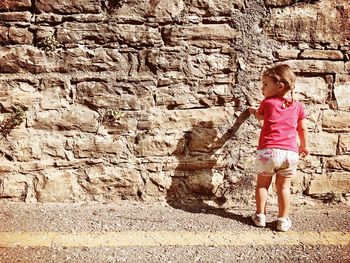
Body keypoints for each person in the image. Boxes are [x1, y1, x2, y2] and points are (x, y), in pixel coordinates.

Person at [248, 64, 309, 232]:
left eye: (266, 84)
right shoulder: (298, 106)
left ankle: (260, 216)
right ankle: (282, 220)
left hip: (268, 151)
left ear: (280, 86)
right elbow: (302, 128)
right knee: (283, 187)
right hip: (290, 153)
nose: (262, 88)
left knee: (262, 185)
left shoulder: (267, 103)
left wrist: (253, 111)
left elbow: (261, 118)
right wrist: (303, 146)